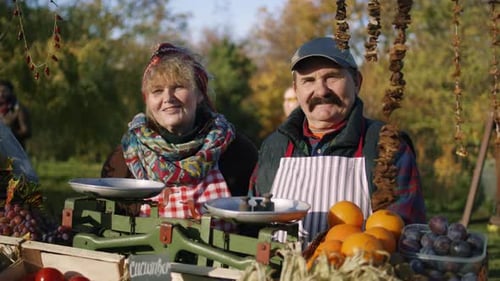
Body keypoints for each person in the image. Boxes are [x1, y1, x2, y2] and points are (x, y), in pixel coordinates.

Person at [251, 37, 426, 243]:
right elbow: (252, 224)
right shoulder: (274, 147)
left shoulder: (385, 145)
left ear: (357, 82)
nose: (322, 91)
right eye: (308, 81)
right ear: (296, 90)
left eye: (332, 77)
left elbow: (406, 235)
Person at [101, 42, 258, 220]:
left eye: (178, 87)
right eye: (157, 91)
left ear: (199, 94)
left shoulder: (237, 152)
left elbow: (253, 225)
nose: (168, 98)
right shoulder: (123, 159)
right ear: (148, 101)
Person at [0, 80, 31, 149]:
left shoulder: (18, 109)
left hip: (14, 152)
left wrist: (8, 134)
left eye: (4, 91)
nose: (1, 94)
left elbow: (26, 132)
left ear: (11, 92)